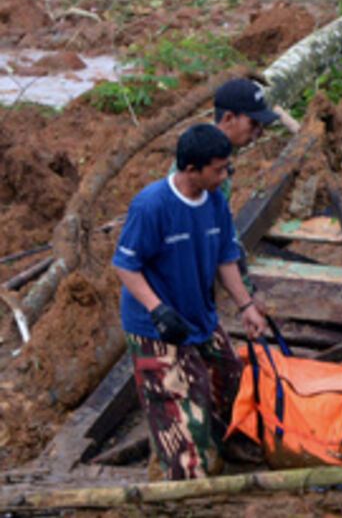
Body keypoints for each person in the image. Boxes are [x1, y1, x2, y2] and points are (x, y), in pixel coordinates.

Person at [113, 124, 268, 480]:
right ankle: (184, 473)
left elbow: (225, 258)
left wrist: (246, 307)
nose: (225, 174)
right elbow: (125, 266)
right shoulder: (152, 205)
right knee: (177, 399)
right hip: (157, 325)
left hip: (200, 315)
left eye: (226, 166)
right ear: (191, 170)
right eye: (218, 169)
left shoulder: (215, 202)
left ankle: (224, 443)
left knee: (231, 377)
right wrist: (158, 309)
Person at [167, 78, 280, 200]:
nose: (260, 131)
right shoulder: (203, 156)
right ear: (229, 118)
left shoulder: (221, 151)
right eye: (253, 123)